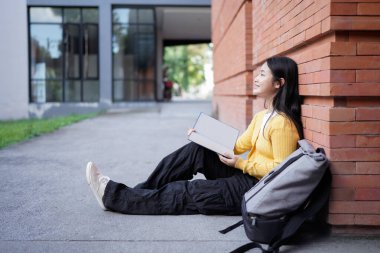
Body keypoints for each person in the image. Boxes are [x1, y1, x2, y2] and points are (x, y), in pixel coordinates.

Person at [86, 56, 304, 215]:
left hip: (256, 191)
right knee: (197, 150)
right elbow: (237, 145)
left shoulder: (282, 124)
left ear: (279, 83)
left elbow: (280, 172)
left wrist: (241, 164)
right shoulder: (263, 116)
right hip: (245, 176)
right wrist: (205, 137)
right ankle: (134, 194)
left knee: (188, 191)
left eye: (262, 74)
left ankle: (114, 196)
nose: (256, 79)